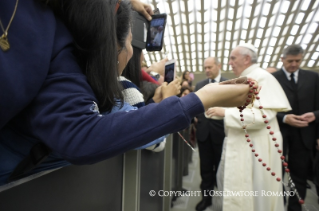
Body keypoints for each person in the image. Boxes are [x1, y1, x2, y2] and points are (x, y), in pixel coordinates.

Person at [0, 0, 254, 187]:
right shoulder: (113, 85)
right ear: (110, 42)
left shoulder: (59, 55)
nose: (134, 54)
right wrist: (197, 100)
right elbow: (90, 136)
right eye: (132, 43)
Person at [207, 43, 291, 211]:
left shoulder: (261, 77)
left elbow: (262, 116)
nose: (230, 62)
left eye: (233, 58)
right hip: (243, 143)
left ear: (246, 59)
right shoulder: (248, 77)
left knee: (256, 195)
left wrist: (225, 113)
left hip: (256, 147)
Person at [272, 44, 319, 211]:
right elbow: (264, 109)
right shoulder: (272, 79)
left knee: (299, 177)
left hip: (305, 135)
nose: (294, 64)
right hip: (278, 135)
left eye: (297, 61)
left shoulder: (313, 78)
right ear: (282, 59)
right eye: (290, 61)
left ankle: (294, 208)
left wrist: (315, 115)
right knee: (276, 176)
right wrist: (284, 118)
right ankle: (278, 205)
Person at [194, 57, 227, 211]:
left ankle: (223, 200)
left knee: (222, 170)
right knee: (205, 169)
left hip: (221, 134)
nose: (207, 70)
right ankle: (206, 199)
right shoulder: (200, 85)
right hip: (204, 133)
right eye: (205, 67)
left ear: (218, 66)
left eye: (210, 67)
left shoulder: (228, 85)